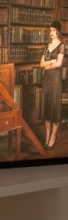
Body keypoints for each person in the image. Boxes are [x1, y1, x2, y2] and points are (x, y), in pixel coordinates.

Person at [40, 20, 65, 150]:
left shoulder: (61, 45)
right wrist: (52, 61)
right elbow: (41, 64)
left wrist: (47, 66)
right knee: (47, 107)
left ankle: (53, 136)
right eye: (50, 30)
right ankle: (47, 137)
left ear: (58, 31)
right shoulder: (46, 46)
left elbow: (59, 64)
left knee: (54, 109)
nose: (51, 32)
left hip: (56, 81)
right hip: (47, 81)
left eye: (54, 30)